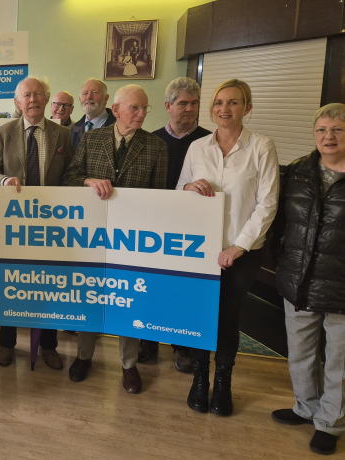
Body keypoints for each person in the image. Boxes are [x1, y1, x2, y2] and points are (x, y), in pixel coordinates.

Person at [177, 78, 279, 416]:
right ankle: (200, 379)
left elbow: (268, 204)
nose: (224, 109)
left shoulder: (261, 146)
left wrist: (238, 247)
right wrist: (190, 186)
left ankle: (222, 382)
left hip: (241, 252)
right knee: (199, 314)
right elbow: (180, 191)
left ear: (247, 108)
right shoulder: (198, 148)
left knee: (228, 318)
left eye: (233, 103)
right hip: (199, 249)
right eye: (219, 102)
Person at [65, 84, 168, 394]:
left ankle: (129, 364)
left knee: (128, 301)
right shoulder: (91, 138)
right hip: (92, 237)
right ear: (117, 109)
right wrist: (88, 180)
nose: (141, 114)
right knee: (91, 297)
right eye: (134, 108)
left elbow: (161, 197)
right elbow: (70, 177)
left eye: (145, 108)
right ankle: (84, 356)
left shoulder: (156, 146)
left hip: (133, 241)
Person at [0, 76, 75, 370]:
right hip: (13, 227)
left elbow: (71, 176)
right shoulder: (3, 132)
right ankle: (7, 343)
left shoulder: (63, 135)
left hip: (51, 227)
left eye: (38, 94)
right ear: (17, 102)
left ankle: (49, 345)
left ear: (47, 100)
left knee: (49, 286)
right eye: (27, 95)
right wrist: (5, 181)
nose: (33, 100)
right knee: (10, 286)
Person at [270, 103, 345, 455]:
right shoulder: (298, 170)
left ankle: (330, 422)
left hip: (341, 285)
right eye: (321, 130)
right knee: (300, 353)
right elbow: (281, 221)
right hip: (298, 278)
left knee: (338, 361)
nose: (328, 137)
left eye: (337, 130)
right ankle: (307, 407)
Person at [139, 77, 212, 372]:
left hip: (193, 231)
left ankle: (182, 346)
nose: (189, 109)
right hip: (154, 228)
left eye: (194, 104)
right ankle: (147, 341)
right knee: (151, 286)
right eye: (182, 103)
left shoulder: (209, 141)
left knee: (183, 291)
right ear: (168, 106)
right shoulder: (150, 139)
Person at [70, 78, 116, 149]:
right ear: (80, 99)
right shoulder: (73, 130)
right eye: (85, 93)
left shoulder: (119, 127)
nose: (89, 97)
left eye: (95, 93)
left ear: (106, 98)